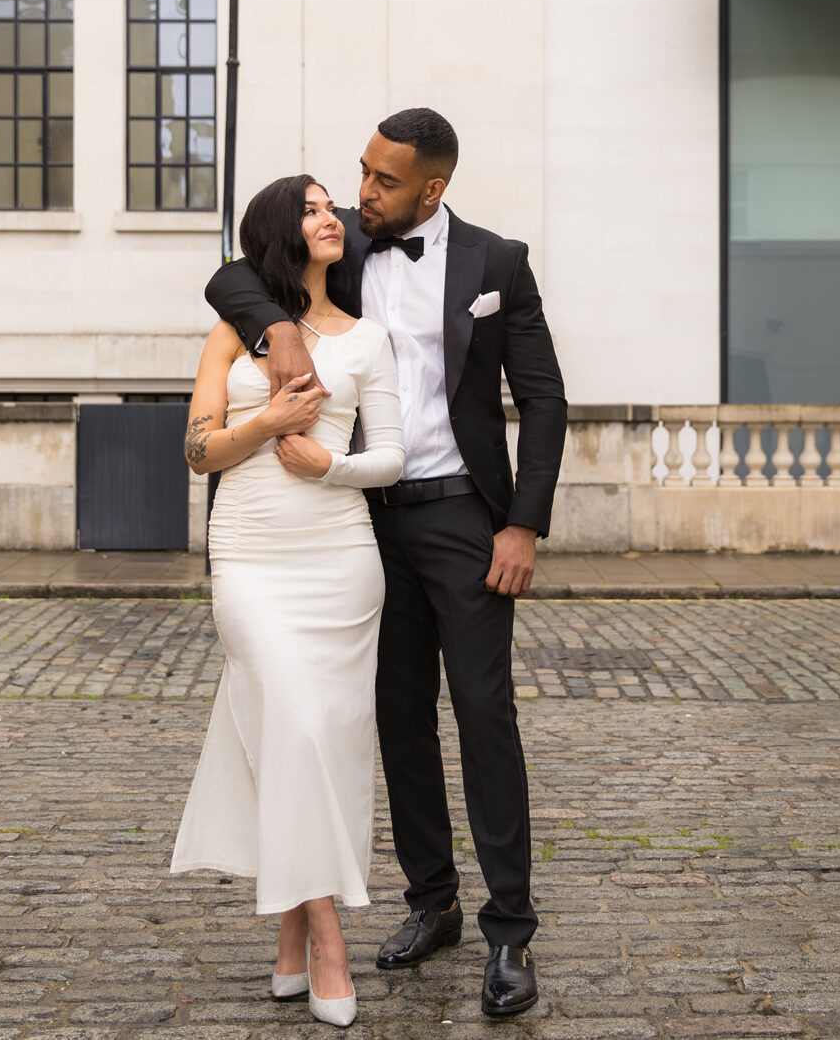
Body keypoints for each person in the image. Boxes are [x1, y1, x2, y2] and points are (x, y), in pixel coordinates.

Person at [205, 109, 567, 1018]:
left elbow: (546, 400)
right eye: (362, 174)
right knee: (397, 717)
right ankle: (431, 900)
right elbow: (234, 273)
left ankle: (510, 933)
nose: (364, 193)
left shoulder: (497, 264)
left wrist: (523, 526)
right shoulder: (354, 248)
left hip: (464, 519)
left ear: (431, 188)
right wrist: (274, 330)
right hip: (362, 522)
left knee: (485, 715)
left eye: (383, 181)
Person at [170, 174, 405, 1029]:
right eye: (310, 208)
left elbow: (396, 458)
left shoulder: (368, 338)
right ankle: (329, 937)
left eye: (332, 205)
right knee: (297, 724)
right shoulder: (233, 332)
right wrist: (269, 425)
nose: (331, 216)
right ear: (280, 228)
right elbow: (198, 450)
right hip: (250, 558)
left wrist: (331, 465)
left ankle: (290, 937)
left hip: (340, 558)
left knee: (322, 742)